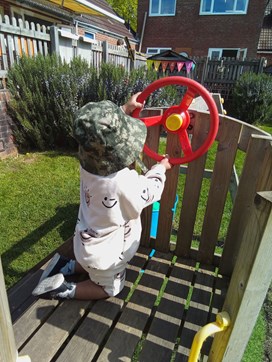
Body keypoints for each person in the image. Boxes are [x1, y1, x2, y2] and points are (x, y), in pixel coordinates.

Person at [32, 93, 172, 300]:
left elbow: (97, 130)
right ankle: (64, 290)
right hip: (108, 257)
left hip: (85, 244)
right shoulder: (123, 184)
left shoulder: (87, 167)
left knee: (91, 261)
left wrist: (124, 108)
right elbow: (151, 190)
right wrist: (161, 168)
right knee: (110, 288)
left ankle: (67, 265)